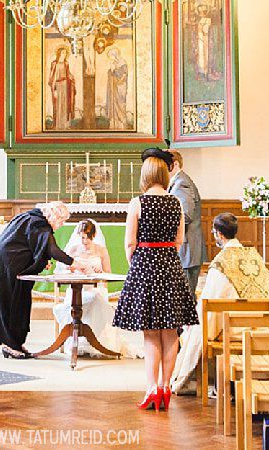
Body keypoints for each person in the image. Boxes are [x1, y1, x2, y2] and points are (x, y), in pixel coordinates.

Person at [112, 149, 198, 412]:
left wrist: (136, 265)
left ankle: (151, 389)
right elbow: (180, 240)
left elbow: (129, 243)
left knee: (150, 334)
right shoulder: (175, 203)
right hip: (170, 265)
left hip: (145, 265)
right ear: (163, 174)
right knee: (170, 332)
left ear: (145, 176)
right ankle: (164, 387)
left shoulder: (137, 203)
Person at [170, 212, 269, 395]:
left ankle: (216, 383)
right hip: (262, 326)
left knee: (194, 333)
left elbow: (210, 306)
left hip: (234, 330)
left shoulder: (221, 264)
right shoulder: (256, 258)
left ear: (219, 234)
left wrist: (194, 327)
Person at [0, 201, 85, 359]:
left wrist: (38, 260)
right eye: (61, 220)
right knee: (11, 303)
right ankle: (10, 344)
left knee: (15, 301)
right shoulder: (39, 224)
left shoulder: (29, 217)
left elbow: (25, 245)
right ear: (53, 215)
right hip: (7, 264)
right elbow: (52, 250)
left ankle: (14, 343)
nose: (61, 225)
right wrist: (76, 264)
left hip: (2, 260)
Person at [52, 219, 131, 358]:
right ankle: (78, 341)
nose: (84, 241)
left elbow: (108, 273)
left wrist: (100, 270)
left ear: (93, 236)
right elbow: (63, 270)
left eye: (87, 238)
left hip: (95, 288)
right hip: (76, 289)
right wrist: (70, 268)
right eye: (82, 238)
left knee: (96, 298)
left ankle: (96, 343)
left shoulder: (101, 250)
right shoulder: (73, 249)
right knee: (87, 300)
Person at [167, 149, 206, 297]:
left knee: (185, 298)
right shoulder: (178, 182)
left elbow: (185, 215)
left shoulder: (182, 183)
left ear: (175, 164)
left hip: (187, 250)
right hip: (185, 250)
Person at [48, 46, 75, 130]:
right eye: (63, 53)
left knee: (65, 104)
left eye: (65, 53)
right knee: (58, 105)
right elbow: (52, 77)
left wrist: (71, 77)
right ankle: (58, 125)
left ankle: (65, 125)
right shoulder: (54, 63)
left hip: (65, 85)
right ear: (59, 53)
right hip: (57, 86)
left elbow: (68, 73)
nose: (64, 54)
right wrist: (54, 89)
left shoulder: (66, 63)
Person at [105, 47, 129, 130]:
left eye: (111, 56)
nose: (110, 58)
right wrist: (111, 70)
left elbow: (123, 76)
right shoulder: (113, 64)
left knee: (120, 105)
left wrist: (114, 70)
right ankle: (113, 124)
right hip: (113, 89)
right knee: (113, 105)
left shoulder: (122, 63)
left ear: (115, 55)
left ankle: (121, 124)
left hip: (119, 89)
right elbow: (111, 75)